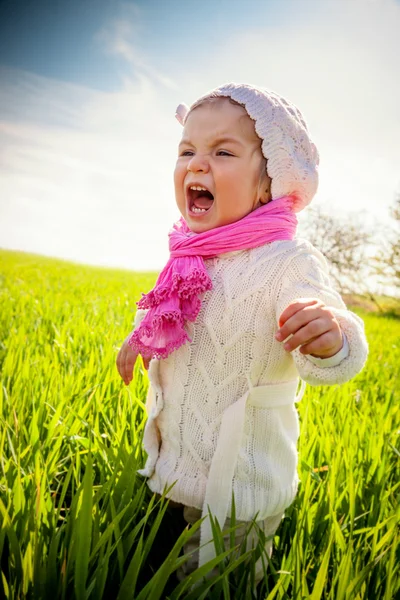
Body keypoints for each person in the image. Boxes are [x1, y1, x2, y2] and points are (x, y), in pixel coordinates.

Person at [116, 83, 369, 590]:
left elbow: (346, 352)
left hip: (240, 485)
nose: (197, 164)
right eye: (187, 150)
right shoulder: (190, 254)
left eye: (223, 151)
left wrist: (331, 336)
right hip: (174, 464)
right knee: (150, 570)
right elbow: (179, 320)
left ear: (267, 184)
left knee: (215, 584)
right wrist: (142, 337)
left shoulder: (286, 261)